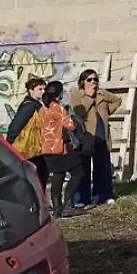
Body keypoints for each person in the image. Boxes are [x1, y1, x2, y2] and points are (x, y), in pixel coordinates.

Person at [70, 70, 123, 207]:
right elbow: (79, 112)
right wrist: (88, 97)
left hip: (101, 136)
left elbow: (117, 100)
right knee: (83, 170)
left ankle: (103, 196)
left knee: (103, 169)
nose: (93, 82)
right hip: (86, 138)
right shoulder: (77, 94)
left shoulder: (101, 94)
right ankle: (82, 198)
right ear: (82, 82)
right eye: (89, 80)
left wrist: (105, 104)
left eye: (95, 79)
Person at [40, 80, 88, 218]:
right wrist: (74, 120)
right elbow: (70, 125)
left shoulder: (43, 108)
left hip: (47, 148)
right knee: (78, 172)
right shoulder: (57, 107)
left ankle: (57, 210)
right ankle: (67, 205)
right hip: (60, 147)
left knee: (58, 176)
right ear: (59, 93)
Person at [6, 76, 49, 187]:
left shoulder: (35, 104)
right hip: (30, 148)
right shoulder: (30, 106)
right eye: (40, 89)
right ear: (31, 90)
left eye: (44, 89)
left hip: (35, 147)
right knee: (37, 177)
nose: (43, 92)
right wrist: (9, 143)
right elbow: (16, 125)